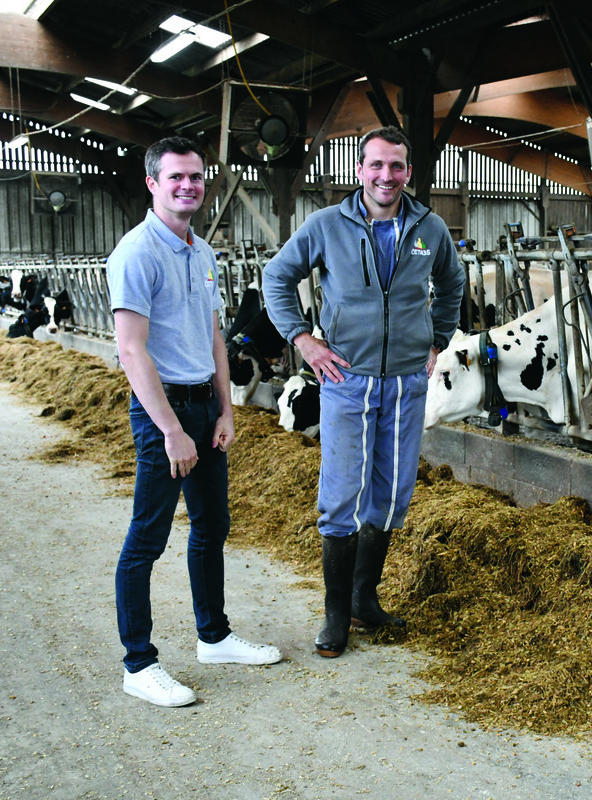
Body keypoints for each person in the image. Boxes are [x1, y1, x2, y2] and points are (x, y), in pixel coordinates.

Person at [262, 125, 465, 658]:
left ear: (409, 172)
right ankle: (334, 616)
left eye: (396, 166)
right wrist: (304, 341)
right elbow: (276, 278)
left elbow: (452, 285)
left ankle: (362, 599)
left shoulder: (430, 227)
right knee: (342, 495)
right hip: (346, 381)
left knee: (392, 493)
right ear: (359, 170)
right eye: (376, 165)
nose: (386, 175)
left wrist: (438, 337)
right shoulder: (326, 225)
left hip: (405, 383)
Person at [108, 136, 281, 707]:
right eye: (176, 177)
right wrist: (171, 429)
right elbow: (132, 351)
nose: (189, 186)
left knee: (211, 526)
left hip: (205, 406)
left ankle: (214, 636)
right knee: (147, 539)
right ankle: (139, 663)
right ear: (152, 182)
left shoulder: (202, 253)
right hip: (164, 411)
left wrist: (227, 405)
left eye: (197, 177)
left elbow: (212, 336)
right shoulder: (136, 253)